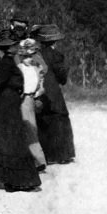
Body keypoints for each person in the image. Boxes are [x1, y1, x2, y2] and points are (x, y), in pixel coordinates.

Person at [0, 32, 42, 192]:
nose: (16, 47)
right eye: (14, 45)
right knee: (10, 142)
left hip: (9, 105)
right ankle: (17, 180)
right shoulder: (6, 63)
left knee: (6, 141)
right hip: (4, 107)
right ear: (9, 48)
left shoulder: (9, 62)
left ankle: (13, 180)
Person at [34, 24, 76, 164]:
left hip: (38, 89)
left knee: (42, 120)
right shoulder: (56, 55)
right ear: (55, 41)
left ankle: (45, 154)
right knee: (59, 120)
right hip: (52, 90)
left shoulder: (36, 53)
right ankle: (62, 155)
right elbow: (62, 77)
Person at [14, 38, 48, 171]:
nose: (28, 59)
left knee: (31, 129)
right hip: (20, 100)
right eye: (25, 57)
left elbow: (41, 87)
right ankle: (35, 160)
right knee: (25, 128)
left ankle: (38, 160)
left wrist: (38, 93)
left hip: (31, 100)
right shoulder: (19, 69)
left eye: (30, 56)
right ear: (21, 57)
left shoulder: (36, 69)